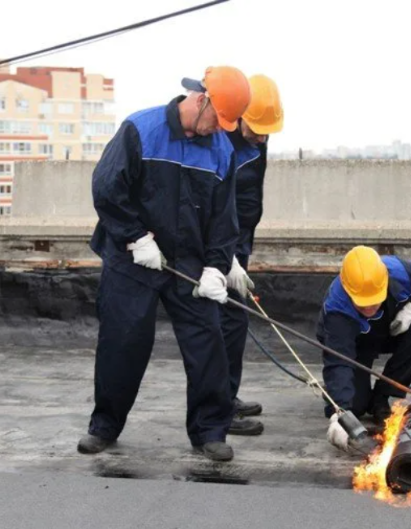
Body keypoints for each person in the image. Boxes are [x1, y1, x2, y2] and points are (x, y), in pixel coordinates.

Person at [78, 66, 251, 462]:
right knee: (123, 340)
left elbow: (225, 220)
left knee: (208, 339)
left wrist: (215, 267)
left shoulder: (220, 149)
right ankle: (104, 426)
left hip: (187, 260)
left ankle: (210, 431)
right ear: (201, 100)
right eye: (217, 120)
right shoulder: (142, 129)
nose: (219, 130)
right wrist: (134, 236)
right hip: (132, 257)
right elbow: (106, 188)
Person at [317, 246, 411, 446]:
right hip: (355, 344)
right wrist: (340, 412)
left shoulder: (402, 273)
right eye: (362, 303)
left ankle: (382, 396)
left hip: (391, 329)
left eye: (373, 301)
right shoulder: (337, 309)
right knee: (355, 407)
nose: (368, 308)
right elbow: (339, 360)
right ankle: (335, 392)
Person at [219, 75, 284, 436]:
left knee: (236, 323)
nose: (262, 138)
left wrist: (241, 253)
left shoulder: (259, 136)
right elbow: (215, 204)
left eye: (266, 132)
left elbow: (248, 198)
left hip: (240, 242)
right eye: (257, 129)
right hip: (218, 247)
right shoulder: (219, 142)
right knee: (219, 326)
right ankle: (217, 410)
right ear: (237, 116)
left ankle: (228, 396)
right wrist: (224, 256)